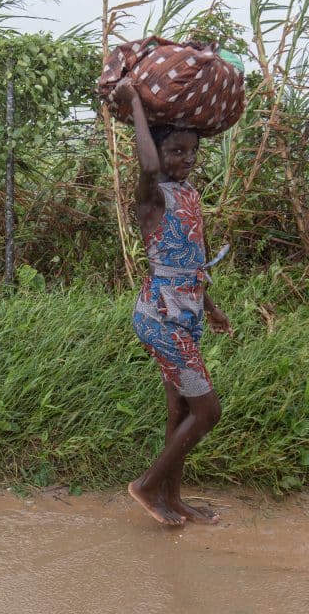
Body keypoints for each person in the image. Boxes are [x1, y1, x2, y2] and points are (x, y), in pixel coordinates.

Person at [113, 76, 233, 527]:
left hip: (185, 314)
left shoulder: (189, 194)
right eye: (175, 151)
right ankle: (146, 487)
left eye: (191, 152)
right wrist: (135, 105)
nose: (184, 160)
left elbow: (192, 259)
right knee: (208, 411)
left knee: (180, 410)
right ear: (157, 152)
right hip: (159, 318)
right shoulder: (152, 196)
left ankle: (174, 499)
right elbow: (145, 167)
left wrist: (211, 305)